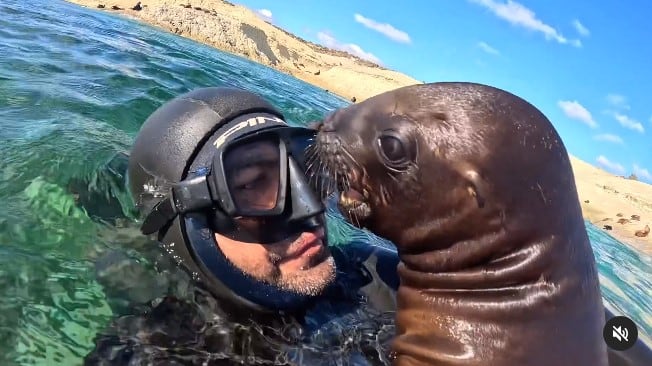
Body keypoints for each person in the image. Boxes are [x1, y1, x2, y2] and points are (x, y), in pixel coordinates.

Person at [84, 87, 400, 365]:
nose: (311, 207)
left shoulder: (380, 278)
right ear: (187, 226)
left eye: (308, 170)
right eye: (251, 186)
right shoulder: (149, 353)